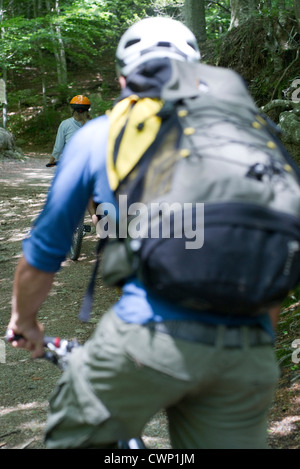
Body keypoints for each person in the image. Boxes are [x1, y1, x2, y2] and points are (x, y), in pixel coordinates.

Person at [7, 17, 280, 449]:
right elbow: (274, 247)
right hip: (248, 353)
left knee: (73, 436)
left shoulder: (102, 133)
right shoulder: (248, 137)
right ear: (196, 70)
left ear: (122, 76)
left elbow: (42, 255)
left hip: (149, 338)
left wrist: (25, 322)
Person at [48, 94, 91, 165]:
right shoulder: (94, 124)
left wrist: (51, 160)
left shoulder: (65, 124)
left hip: (70, 163)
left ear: (72, 109)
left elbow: (58, 147)